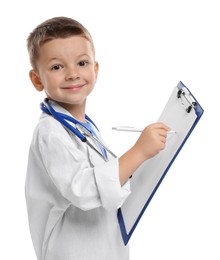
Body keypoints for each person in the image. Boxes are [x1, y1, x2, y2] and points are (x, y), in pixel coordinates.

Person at [25, 16, 170, 260]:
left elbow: (109, 184)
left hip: (103, 248)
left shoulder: (85, 127)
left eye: (81, 62)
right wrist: (139, 152)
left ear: (95, 69)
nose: (72, 74)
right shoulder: (50, 132)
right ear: (37, 79)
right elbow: (85, 189)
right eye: (57, 67)